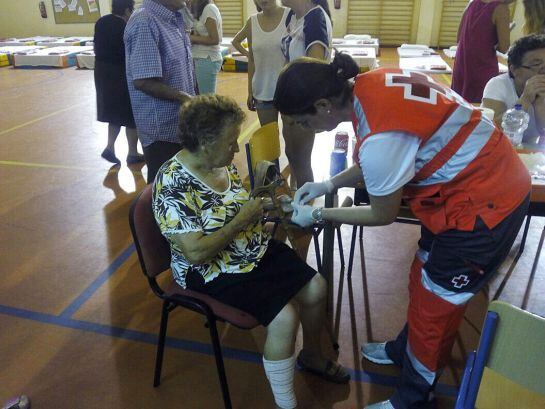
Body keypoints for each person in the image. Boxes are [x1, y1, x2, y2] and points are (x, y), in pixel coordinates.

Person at [273, 53, 531, 409]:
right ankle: (402, 349)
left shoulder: (381, 135)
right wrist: (328, 184)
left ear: (323, 105)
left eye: (304, 121)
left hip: (483, 208)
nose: (306, 129)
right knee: (422, 274)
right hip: (465, 188)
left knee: (436, 308)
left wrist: (318, 216)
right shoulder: (372, 83)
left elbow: (382, 213)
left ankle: (413, 398)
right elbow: (383, 157)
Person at [152, 94, 349, 409]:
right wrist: (243, 217)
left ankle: (312, 355)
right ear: (204, 141)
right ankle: (286, 403)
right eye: (230, 142)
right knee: (284, 318)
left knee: (316, 288)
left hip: (248, 248)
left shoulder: (218, 163)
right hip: (209, 270)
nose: (235, 149)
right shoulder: (173, 184)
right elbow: (196, 253)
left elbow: (237, 206)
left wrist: (274, 205)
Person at [124, 0, 196, 183]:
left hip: (181, 125)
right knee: (164, 193)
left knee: (181, 189)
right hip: (162, 133)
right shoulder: (144, 21)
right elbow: (143, 81)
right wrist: (183, 97)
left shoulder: (175, 19)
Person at [281, 0, 332, 187]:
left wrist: (296, 103)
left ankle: (304, 208)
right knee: (291, 155)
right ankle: (296, 196)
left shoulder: (315, 17)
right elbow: (287, 59)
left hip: (302, 103)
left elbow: (314, 68)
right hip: (290, 100)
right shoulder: (292, 16)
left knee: (302, 162)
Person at [94, 0, 144, 165]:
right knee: (131, 114)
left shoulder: (101, 22)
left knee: (112, 113)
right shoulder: (125, 26)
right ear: (128, 10)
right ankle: (132, 152)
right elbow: (129, 53)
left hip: (101, 73)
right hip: (120, 73)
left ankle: (110, 147)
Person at [232, 0, 290, 126]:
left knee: (291, 139)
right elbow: (252, 59)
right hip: (263, 90)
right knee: (269, 138)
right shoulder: (252, 22)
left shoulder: (290, 15)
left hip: (288, 89)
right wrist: (250, 91)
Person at [482, 34, 545, 142]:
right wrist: (525, 99)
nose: (543, 71)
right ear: (514, 69)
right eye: (536, 64)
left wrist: (540, 105)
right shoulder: (497, 85)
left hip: (531, 151)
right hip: (501, 147)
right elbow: (494, 131)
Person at [451, 0, 513, 103]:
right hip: (482, 66)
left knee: (458, 104)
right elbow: (504, 48)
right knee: (482, 110)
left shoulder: (472, 2)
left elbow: (458, 38)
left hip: (462, 65)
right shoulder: (501, 9)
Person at [189, 0, 223, 94]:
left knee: (206, 100)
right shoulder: (197, 8)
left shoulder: (209, 8)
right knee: (197, 99)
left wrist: (191, 37)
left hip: (207, 58)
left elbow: (215, 39)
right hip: (198, 57)